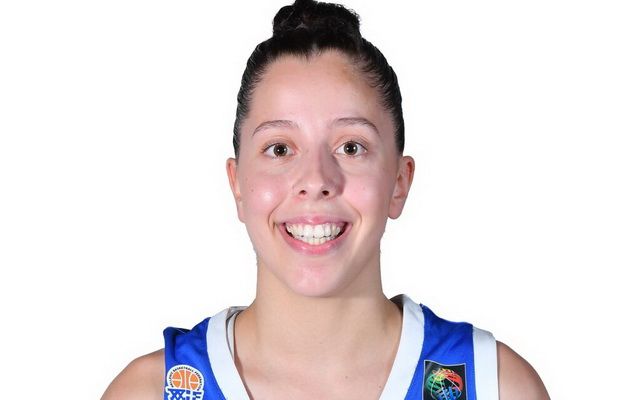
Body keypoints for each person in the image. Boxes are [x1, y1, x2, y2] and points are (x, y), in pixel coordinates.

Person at [102, 0, 550, 399]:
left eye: (351, 147)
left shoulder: (494, 385)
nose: (315, 180)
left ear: (399, 182)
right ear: (237, 185)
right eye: (280, 149)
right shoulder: (149, 392)